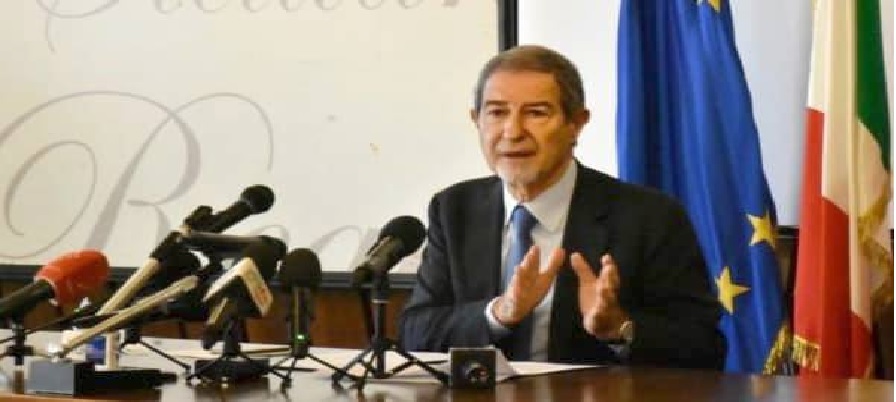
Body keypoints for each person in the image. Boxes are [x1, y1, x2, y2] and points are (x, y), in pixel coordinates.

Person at [397, 45, 725, 369]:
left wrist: (619, 328)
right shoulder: (454, 209)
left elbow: (704, 346)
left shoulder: (649, 217)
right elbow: (416, 333)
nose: (513, 132)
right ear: (476, 121)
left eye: (536, 113)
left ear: (576, 124)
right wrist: (499, 313)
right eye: (497, 113)